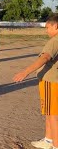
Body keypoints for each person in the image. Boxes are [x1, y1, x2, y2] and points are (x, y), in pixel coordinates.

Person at [13, 15, 58, 149]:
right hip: (50, 81)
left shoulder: (55, 40)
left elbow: (45, 57)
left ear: (56, 26)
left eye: (48, 27)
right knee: (49, 113)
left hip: (51, 82)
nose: (46, 31)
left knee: (53, 116)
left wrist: (25, 72)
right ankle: (48, 140)